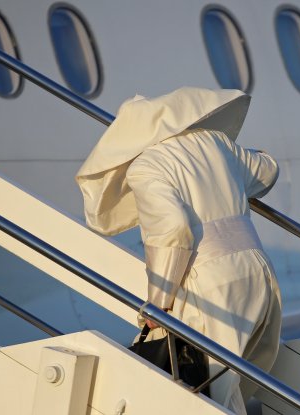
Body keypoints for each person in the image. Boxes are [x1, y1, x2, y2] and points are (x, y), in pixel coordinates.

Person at [76, 87, 282, 414]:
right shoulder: (218, 144)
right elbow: (267, 169)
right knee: (237, 385)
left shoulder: (146, 166)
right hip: (259, 274)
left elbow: (172, 230)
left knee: (209, 395)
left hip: (211, 286)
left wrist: (158, 303)